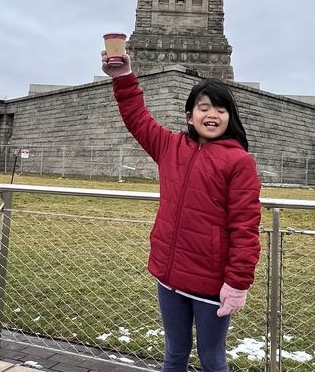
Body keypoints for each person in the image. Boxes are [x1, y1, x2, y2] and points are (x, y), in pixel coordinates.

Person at [101, 51, 261, 372]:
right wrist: (122, 77)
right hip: (170, 277)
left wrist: (238, 283)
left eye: (220, 108)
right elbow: (137, 118)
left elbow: (245, 228)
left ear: (231, 117)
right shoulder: (170, 147)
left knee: (211, 358)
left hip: (212, 285)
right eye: (203, 107)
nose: (212, 114)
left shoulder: (239, 162)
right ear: (190, 116)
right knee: (174, 353)